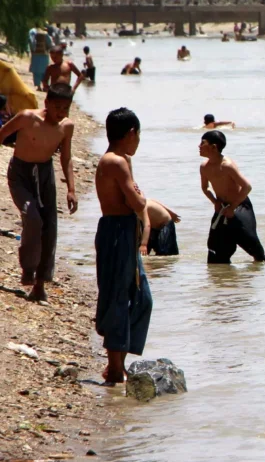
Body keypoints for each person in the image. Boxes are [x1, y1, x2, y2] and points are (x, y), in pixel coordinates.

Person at [0, 85, 77, 302]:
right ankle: (28, 268)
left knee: (49, 227)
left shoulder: (66, 126)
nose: (61, 112)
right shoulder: (26, 118)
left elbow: (66, 158)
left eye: (66, 108)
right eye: (57, 107)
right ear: (47, 103)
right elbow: (2, 134)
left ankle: (40, 285)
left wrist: (71, 189)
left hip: (44, 176)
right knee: (32, 219)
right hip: (20, 175)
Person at [93, 107, 152, 386]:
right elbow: (138, 203)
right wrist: (139, 197)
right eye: (138, 135)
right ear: (130, 133)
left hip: (127, 230)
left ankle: (119, 363)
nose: (138, 141)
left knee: (142, 298)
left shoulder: (123, 160)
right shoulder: (114, 161)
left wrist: (138, 198)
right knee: (117, 296)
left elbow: (136, 201)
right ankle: (114, 367)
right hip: (116, 231)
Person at [199, 130, 265, 263]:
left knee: (252, 245)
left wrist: (232, 207)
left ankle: (263, 268)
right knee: (216, 251)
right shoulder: (204, 167)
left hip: (240, 205)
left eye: (202, 143)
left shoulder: (227, 165)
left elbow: (247, 187)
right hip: (221, 207)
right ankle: (224, 279)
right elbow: (205, 187)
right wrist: (214, 201)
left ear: (214, 147)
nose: (199, 146)